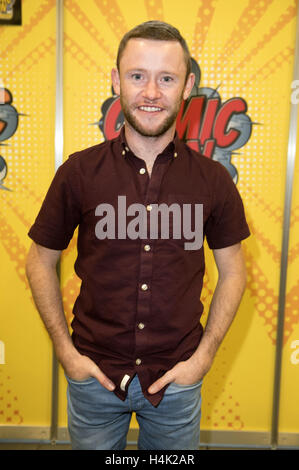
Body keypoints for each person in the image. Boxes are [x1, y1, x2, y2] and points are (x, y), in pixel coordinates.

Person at [25, 21, 250, 450]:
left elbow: (234, 272)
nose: (151, 92)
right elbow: (39, 259)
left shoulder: (214, 180)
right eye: (137, 76)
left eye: (166, 78)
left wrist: (203, 358)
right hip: (94, 377)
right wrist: (66, 352)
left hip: (176, 383)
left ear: (187, 87)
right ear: (116, 81)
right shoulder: (78, 172)